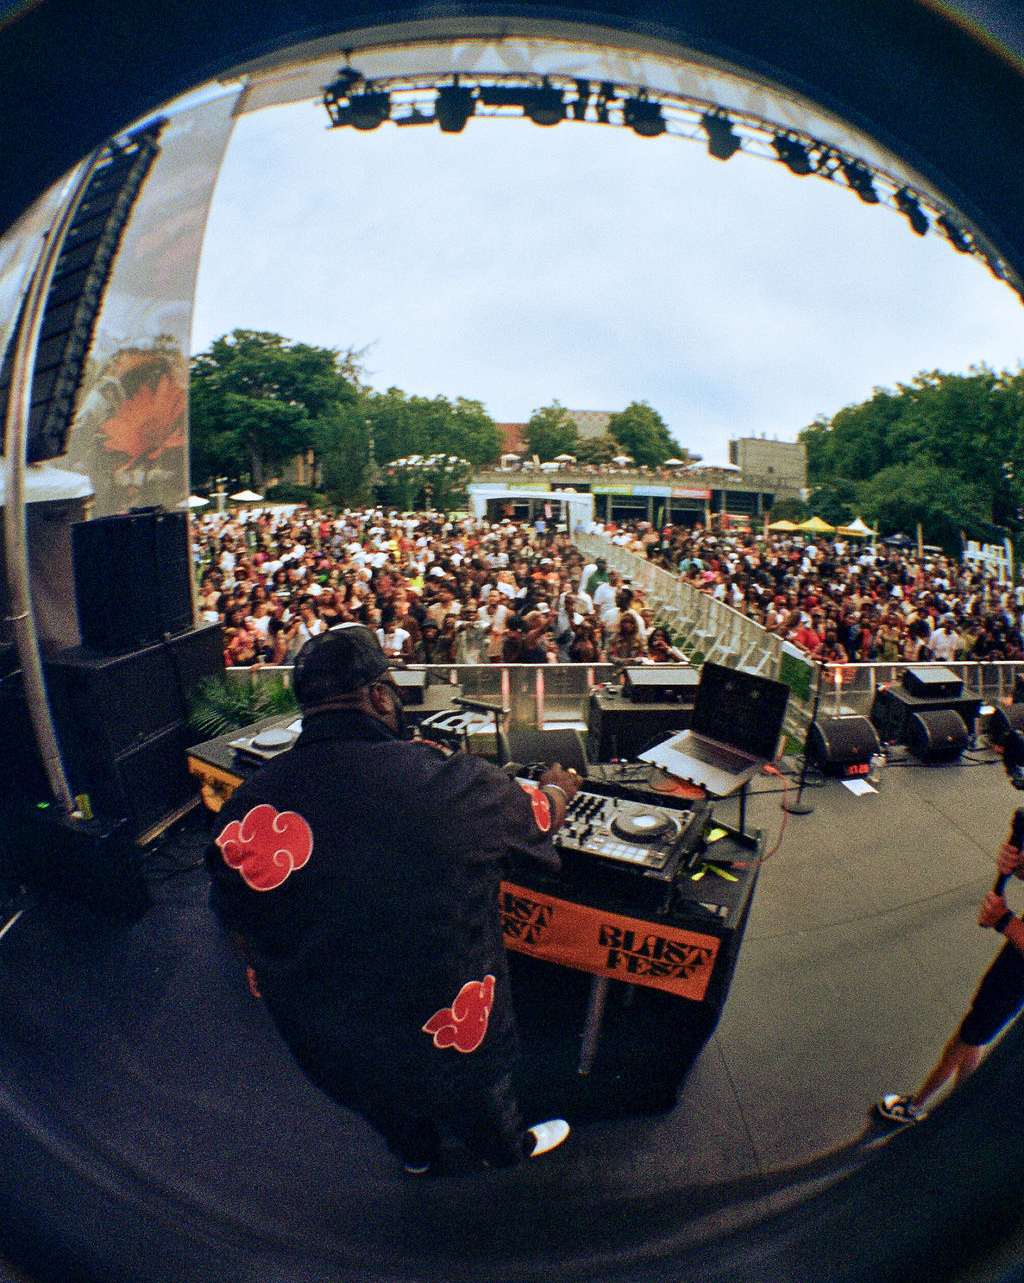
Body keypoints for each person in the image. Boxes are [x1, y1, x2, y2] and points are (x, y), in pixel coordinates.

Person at [205, 625, 579, 1173]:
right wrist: (558, 787)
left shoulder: (248, 805)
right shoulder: (447, 782)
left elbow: (231, 913)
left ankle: (416, 1157)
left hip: (329, 1032)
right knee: (478, 1095)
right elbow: (538, 818)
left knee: (382, 1102)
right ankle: (503, 1152)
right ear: (381, 695)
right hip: (448, 1021)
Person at [875, 829, 1024, 1124]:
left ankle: (916, 1106)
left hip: (1016, 981)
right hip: (1012, 968)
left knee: (964, 1040)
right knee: (976, 1033)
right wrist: (1018, 865)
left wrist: (1004, 921)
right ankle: (963, 1107)